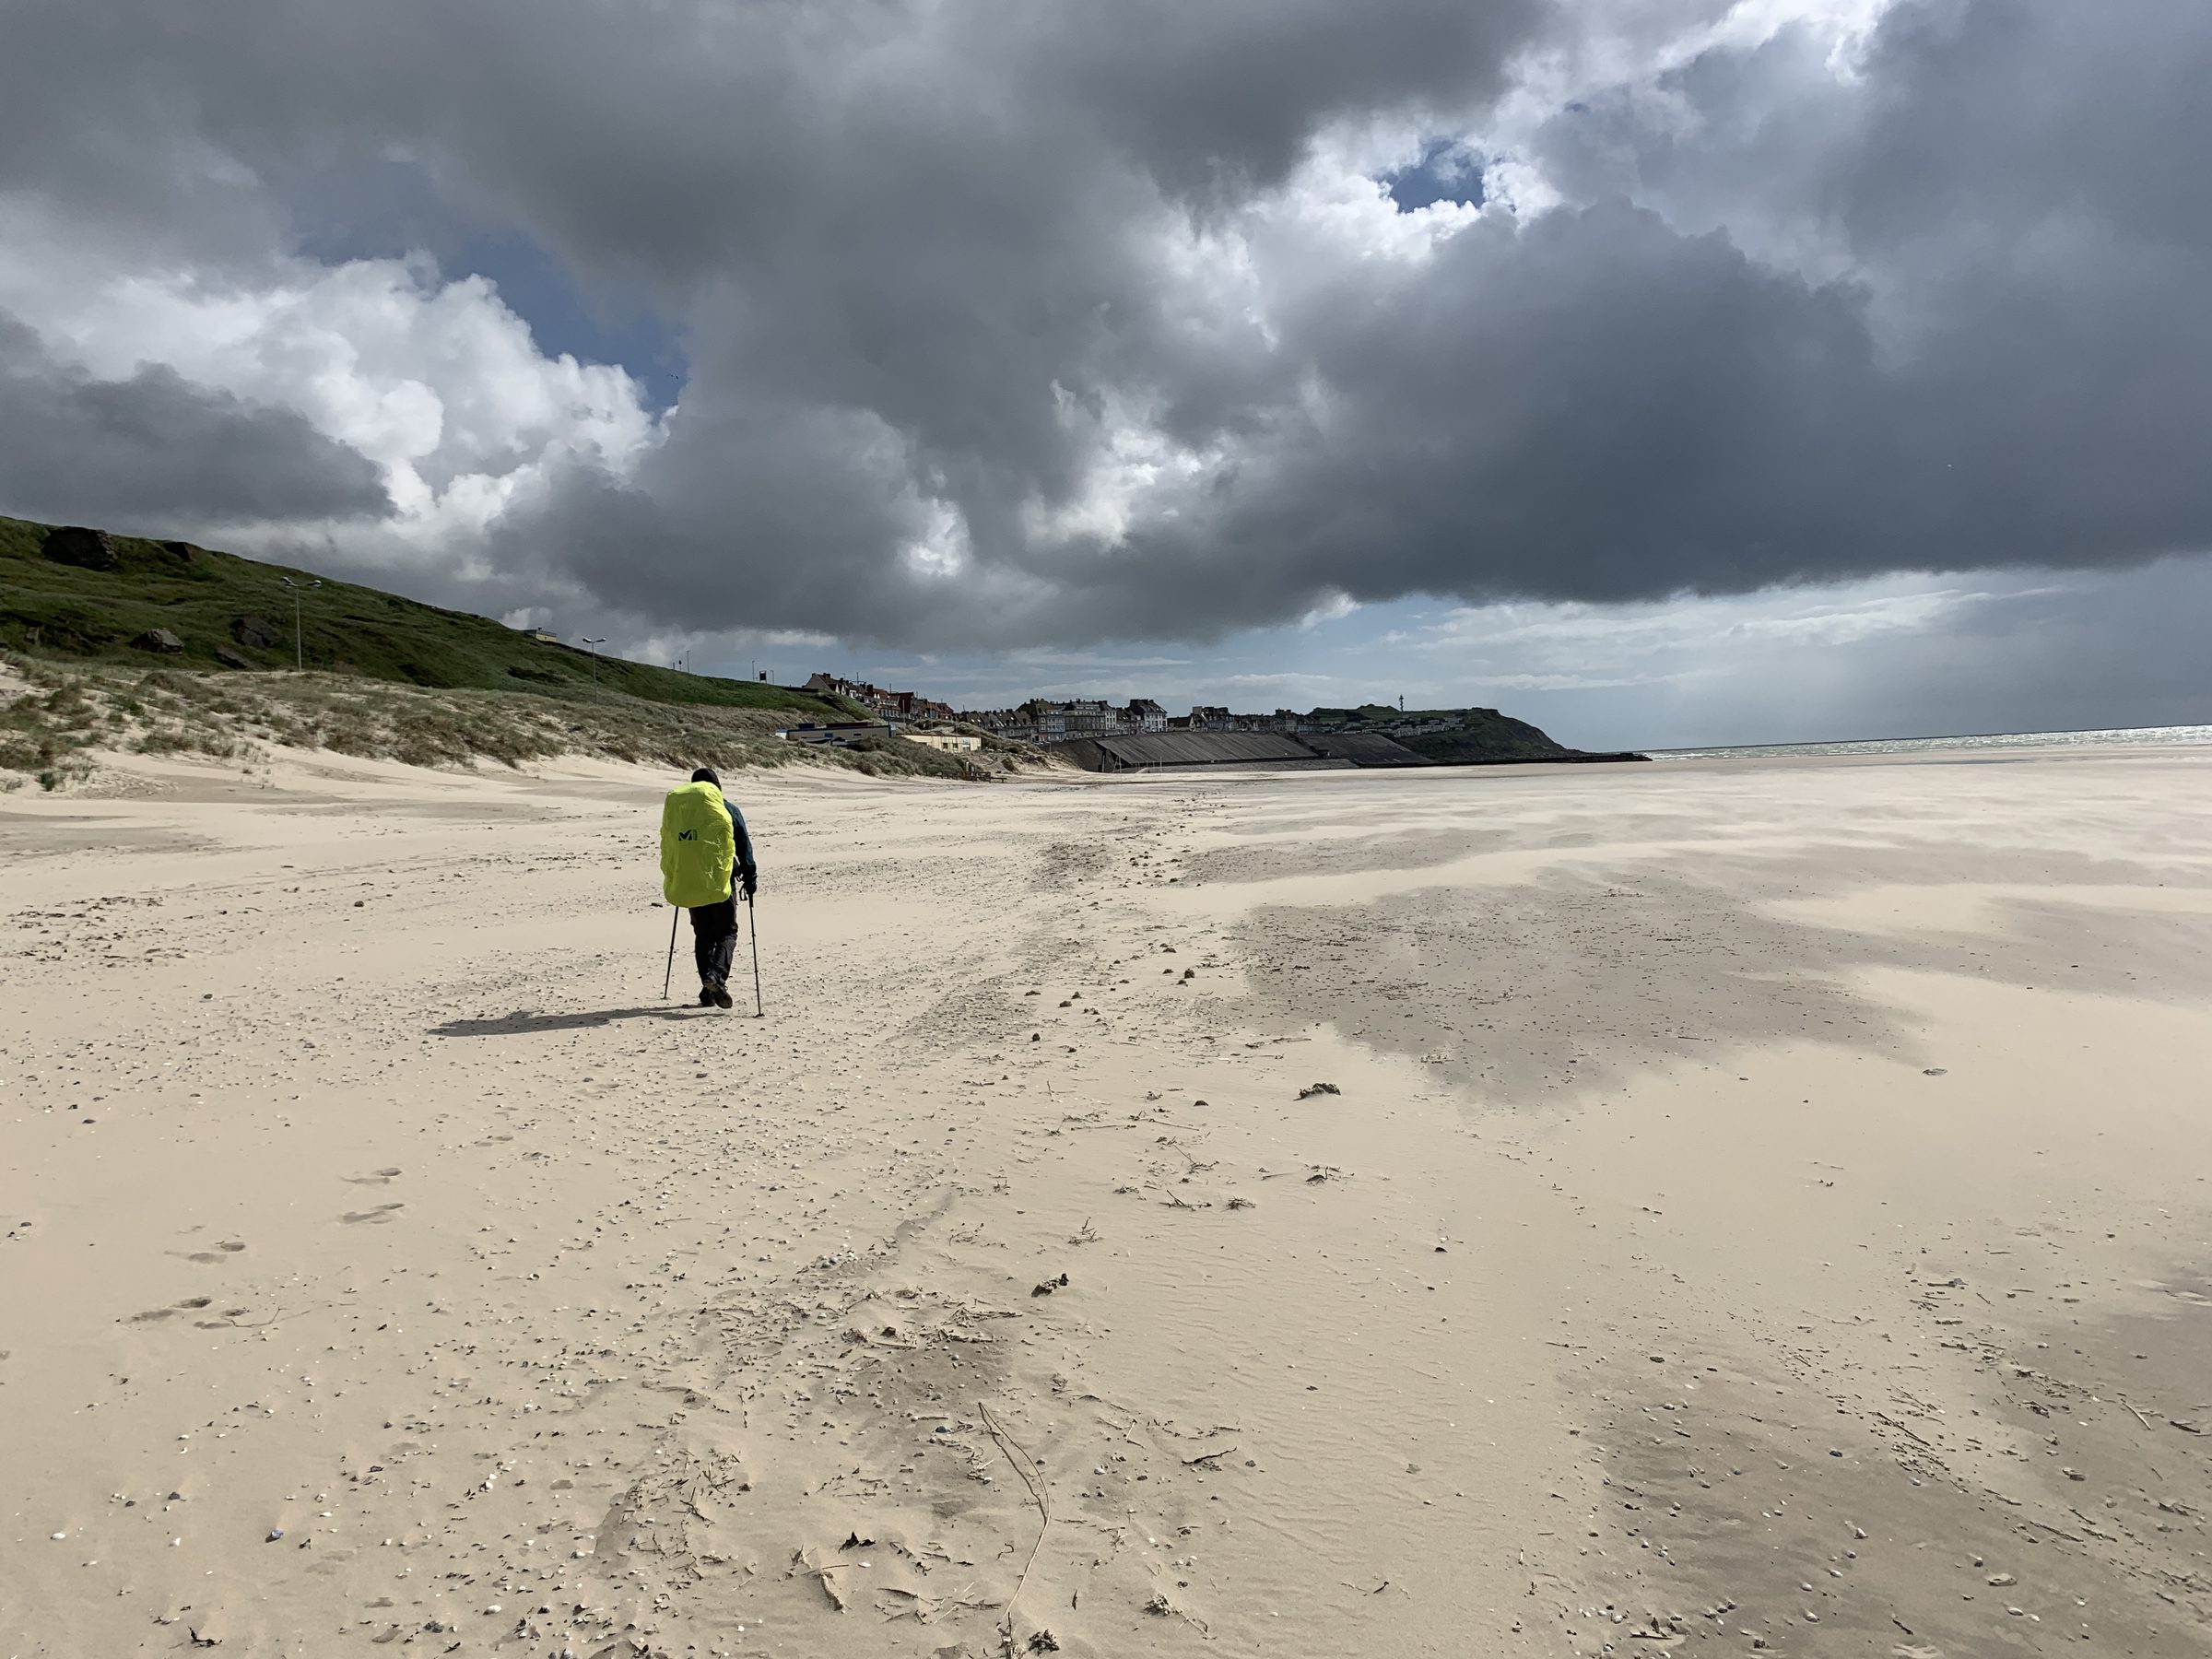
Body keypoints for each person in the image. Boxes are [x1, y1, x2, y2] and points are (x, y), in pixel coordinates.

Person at [659, 765, 759, 1009]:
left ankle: (708, 991)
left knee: (703, 934)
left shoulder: (682, 811)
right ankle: (715, 977)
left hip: (689, 881)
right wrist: (750, 876)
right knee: (728, 932)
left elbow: (669, 844)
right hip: (721, 881)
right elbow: (743, 843)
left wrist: (673, 877)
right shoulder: (727, 809)